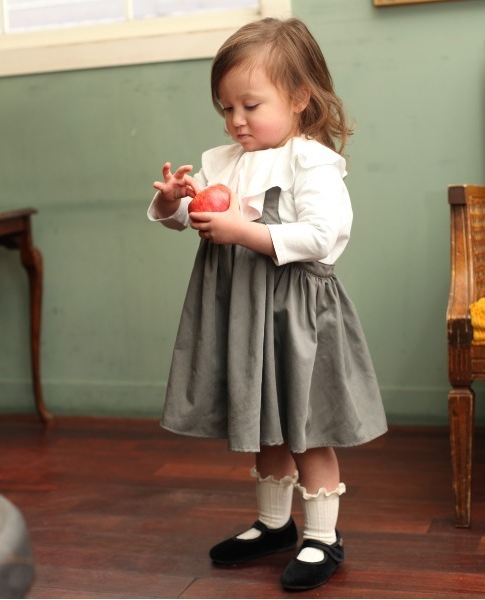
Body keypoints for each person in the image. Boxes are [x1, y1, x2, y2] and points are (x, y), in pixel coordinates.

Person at [148, 17, 387, 592]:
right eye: (226, 108)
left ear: (299, 97)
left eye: (250, 106)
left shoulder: (311, 162)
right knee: (266, 423)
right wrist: (174, 204)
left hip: (294, 314)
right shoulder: (222, 160)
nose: (236, 120)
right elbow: (193, 220)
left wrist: (245, 231)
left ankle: (323, 536)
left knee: (306, 424)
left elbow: (322, 236)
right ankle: (275, 524)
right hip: (242, 311)